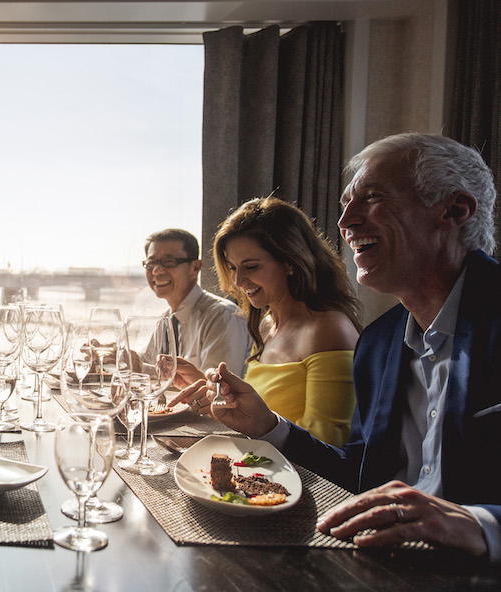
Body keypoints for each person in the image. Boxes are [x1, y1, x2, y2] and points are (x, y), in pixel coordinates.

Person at [175, 133, 501, 562]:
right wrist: (268, 425)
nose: (345, 221)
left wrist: (481, 524)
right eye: (347, 203)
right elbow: (357, 473)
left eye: (372, 198)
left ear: (453, 211)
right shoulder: (380, 343)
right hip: (376, 563)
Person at [171, 197, 361, 446]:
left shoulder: (329, 330)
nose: (238, 281)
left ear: (291, 262)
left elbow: (328, 448)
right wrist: (214, 392)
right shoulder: (265, 325)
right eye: (232, 267)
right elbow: (259, 418)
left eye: (251, 267)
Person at [142, 228, 251, 375]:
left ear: (195, 268)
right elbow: (148, 365)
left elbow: (220, 389)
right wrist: (118, 357)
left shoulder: (223, 317)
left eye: (169, 262)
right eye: (151, 263)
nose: (157, 271)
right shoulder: (166, 319)